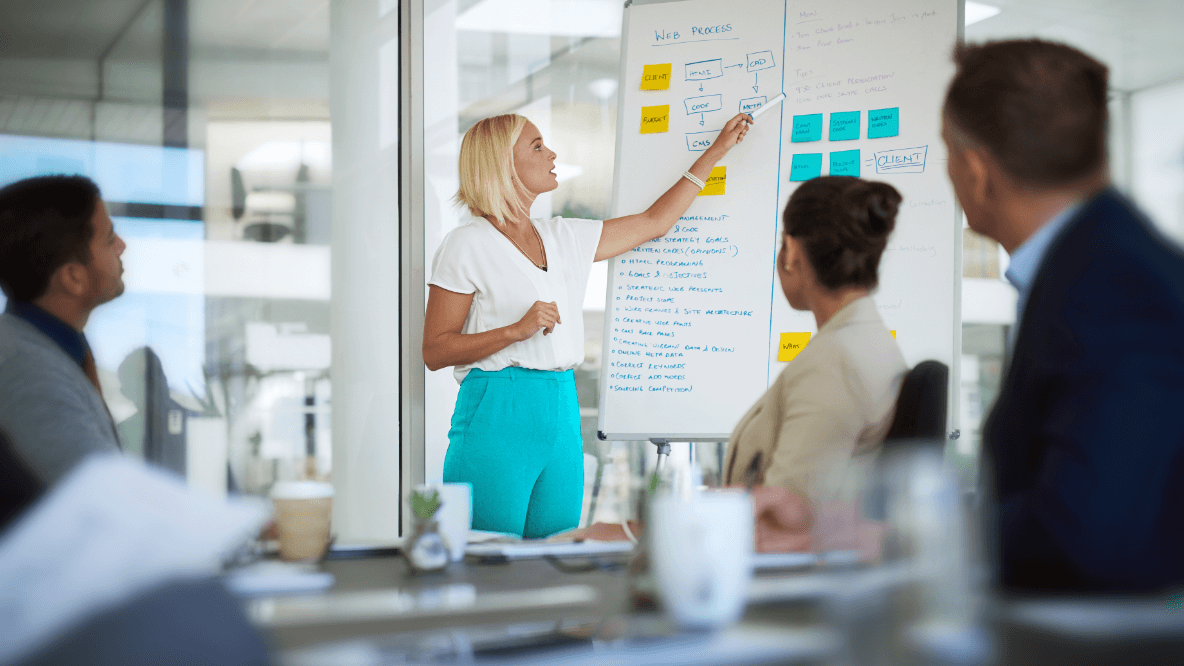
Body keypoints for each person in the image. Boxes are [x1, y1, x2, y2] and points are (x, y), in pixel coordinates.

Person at [423, 112, 753, 538]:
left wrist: (717, 151)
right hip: (496, 411)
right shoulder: (466, 244)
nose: (552, 154)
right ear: (503, 163)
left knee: (557, 553)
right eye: (537, 146)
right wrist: (513, 331)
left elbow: (655, 223)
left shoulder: (564, 237)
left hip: (561, 408)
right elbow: (435, 351)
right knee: (490, 560)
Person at [941, 39, 1184, 593]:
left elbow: (1081, 537)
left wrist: (900, 532)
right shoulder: (1092, 262)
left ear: (977, 171)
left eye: (947, 152)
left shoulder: (1116, 287)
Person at [723, 176, 907, 552]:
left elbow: (780, 519)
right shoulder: (863, 341)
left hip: (788, 595)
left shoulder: (834, 362)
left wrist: (639, 532)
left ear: (791, 250)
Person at [0, 175, 125, 520]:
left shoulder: (48, 350)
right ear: (73, 277)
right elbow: (105, 505)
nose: (122, 246)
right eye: (110, 239)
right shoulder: (25, 368)